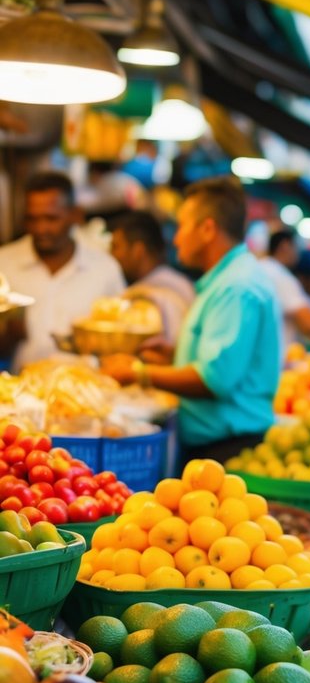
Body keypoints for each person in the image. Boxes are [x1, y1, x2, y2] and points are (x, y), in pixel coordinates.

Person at [102, 177, 279, 466]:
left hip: (226, 451)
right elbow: (225, 362)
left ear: (207, 229)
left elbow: (214, 380)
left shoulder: (235, 288)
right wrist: (176, 355)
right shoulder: (227, 279)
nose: (176, 238)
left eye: (182, 225)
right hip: (216, 446)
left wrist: (138, 373)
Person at [0, 171, 125, 370]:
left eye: (51, 219)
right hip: (17, 393)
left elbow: (121, 342)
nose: (41, 229)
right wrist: (8, 335)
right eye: (32, 219)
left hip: (85, 392)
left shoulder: (104, 269)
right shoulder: (4, 265)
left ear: (75, 215)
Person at [109, 211, 195, 347]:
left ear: (138, 250)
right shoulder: (184, 283)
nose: (111, 254)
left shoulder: (145, 296)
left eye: (116, 247)